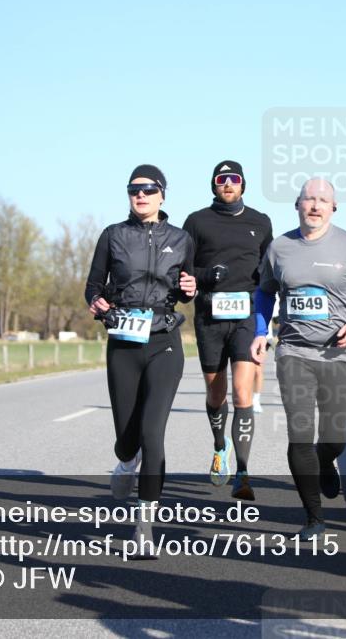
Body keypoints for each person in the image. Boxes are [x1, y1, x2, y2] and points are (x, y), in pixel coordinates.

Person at [251, 178, 346, 538]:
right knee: (300, 435)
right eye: (308, 199)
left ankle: (327, 462)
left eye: (322, 200)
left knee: (335, 436)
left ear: (333, 207)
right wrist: (260, 331)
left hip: (337, 354)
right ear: (297, 205)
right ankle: (314, 517)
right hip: (293, 351)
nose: (315, 205)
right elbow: (264, 294)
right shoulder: (280, 248)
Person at [85, 164, 197, 556]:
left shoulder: (181, 238)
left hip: (164, 341)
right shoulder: (113, 236)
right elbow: (94, 286)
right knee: (127, 437)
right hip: (124, 344)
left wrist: (191, 285)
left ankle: (144, 525)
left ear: (162, 194)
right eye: (134, 189)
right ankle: (124, 461)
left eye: (148, 189)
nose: (141, 195)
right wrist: (97, 303)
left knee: (153, 433)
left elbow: (186, 288)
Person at [182, 161, 273, 501]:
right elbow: (184, 268)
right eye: (222, 180)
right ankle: (220, 447)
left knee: (242, 392)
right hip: (209, 317)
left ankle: (243, 473)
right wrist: (207, 276)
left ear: (243, 185)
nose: (228, 184)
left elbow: (270, 271)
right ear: (214, 186)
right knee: (216, 394)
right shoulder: (196, 221)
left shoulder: (260, 222)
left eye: (234, 179)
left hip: (246, 316)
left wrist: (269, 315)